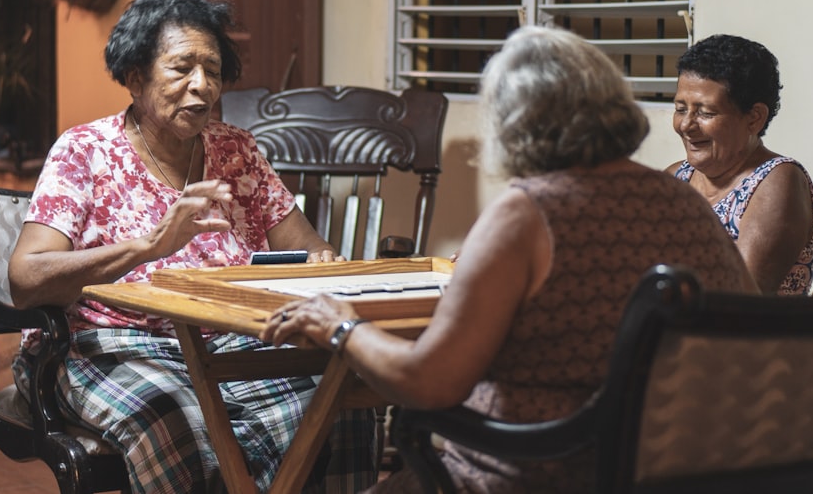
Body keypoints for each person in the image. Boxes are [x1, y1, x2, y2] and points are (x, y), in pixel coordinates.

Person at [261, 25, 759, 493]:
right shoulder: (683, 201)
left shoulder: (530, 212)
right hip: (668, 473)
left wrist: (340, 325)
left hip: (534, 473)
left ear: (514, 124)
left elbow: (427, 381)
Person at [7, 0, 376, 494]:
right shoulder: (85, 152)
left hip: (227, 339)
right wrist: (150, 246)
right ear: (135, 77)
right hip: (103, 344)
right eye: (182, 68)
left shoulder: (236, 149)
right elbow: (26, 280)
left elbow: (311, 248)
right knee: (179, 424)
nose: (202, 86)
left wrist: (320, 261)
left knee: (340, 397)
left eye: (213, 71)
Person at [666, 34, 813, 296]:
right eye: (681, 109)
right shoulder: (677, 176)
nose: (686, 126)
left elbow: (742, 299)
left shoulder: (778, 181)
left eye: (705, 112)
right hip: (680, 327)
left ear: (754, 118)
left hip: (750, 334)